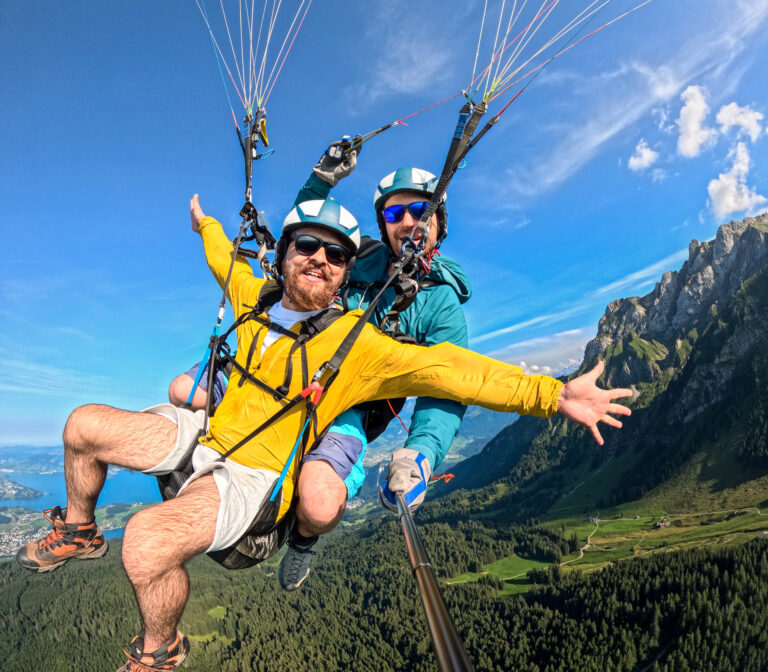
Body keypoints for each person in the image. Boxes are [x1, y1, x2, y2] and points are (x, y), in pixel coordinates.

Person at [15, 194, 631, 672]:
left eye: (337, 255)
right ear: (283, 255)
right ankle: (80, 527)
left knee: (146, 541)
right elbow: (224, 259)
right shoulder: (254, 298)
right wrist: (204, 223)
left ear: (346, 274)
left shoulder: (357, 345)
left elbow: (449, 371)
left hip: (254, 473)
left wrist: (553, 394)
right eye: (307, 246)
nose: (320, 260)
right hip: (209, 430)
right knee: (82, 426)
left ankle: (160, 650)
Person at [170, 149, 473, 593]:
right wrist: (322, 181)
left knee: (318, 503)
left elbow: (447, 384)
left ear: (439, 222)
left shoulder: (439, 305)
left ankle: (302, 540)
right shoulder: (355, 258)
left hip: (344, 401)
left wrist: (420, 452)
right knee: (183, 390)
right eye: (395, 211)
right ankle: (213, 462)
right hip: (276, 368)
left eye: (420, 210)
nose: (408, 221)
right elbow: (304, 232)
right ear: (384, 223)